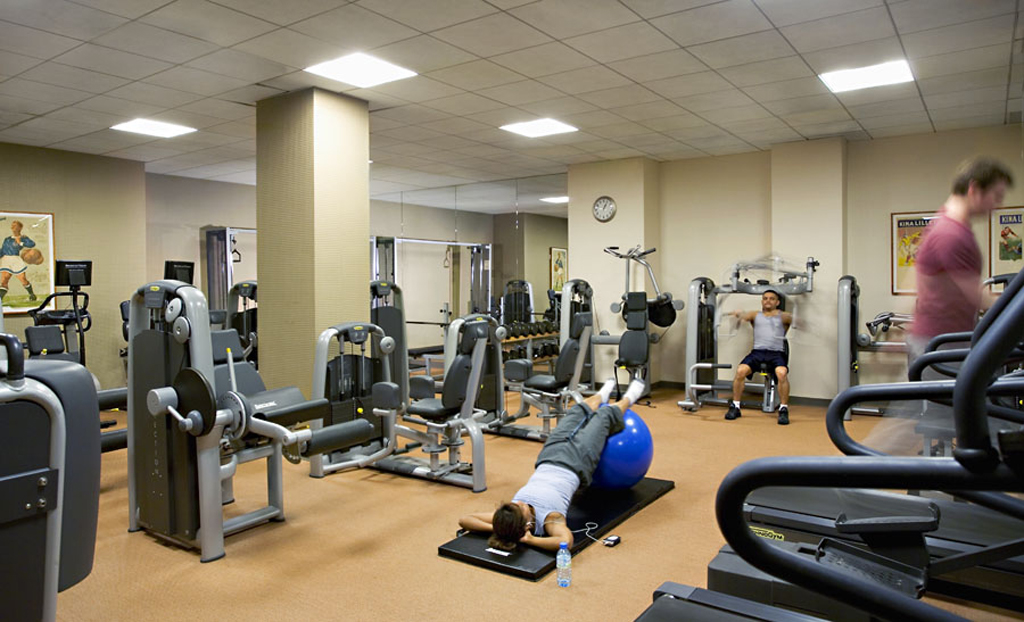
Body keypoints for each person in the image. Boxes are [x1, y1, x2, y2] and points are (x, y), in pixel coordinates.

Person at [458, 377, 646, 552]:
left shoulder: (508, 516)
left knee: (577, 411)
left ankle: (602, 393)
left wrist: (499, 530)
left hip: (548, 456)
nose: (519, 502)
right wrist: (530, 540)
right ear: (527, 525)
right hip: (576, 461)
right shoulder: (549, 519)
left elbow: (465, 519)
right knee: (604, 416)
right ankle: (630, 397)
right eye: (521, 507)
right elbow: (566, 541)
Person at [907, 158, 1014, 364]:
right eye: (996, 196)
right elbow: (977, 295)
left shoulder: (949, 224)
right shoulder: (950, 234)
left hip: (945, 338)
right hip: (939, 343)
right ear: (974, 189)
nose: (998, 205)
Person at [724, 289, 792, 425]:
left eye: (771, 298)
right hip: (757, 352)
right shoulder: (755, 315)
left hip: (776, 353)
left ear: (777, 302)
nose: (768, 301)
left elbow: (798, 322)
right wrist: (738, 314)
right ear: (762, 301)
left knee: (782, 373)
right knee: (740, 371)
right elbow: (744, 316)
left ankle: (783, 409)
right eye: (765, 298)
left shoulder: (784, 316)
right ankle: (735, 406)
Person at [0, 220, 38, 302]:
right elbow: (2, 250)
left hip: (16, 260)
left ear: (20, 228)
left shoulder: (23, 238)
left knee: (23, 279)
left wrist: (21, 243)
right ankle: (0, 300)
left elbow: (32, 244)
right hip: (6, 260)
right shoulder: (7, 239)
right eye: (12, 226)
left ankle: (31, 294)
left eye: (15, 226)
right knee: (4, 280)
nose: (12, 228)